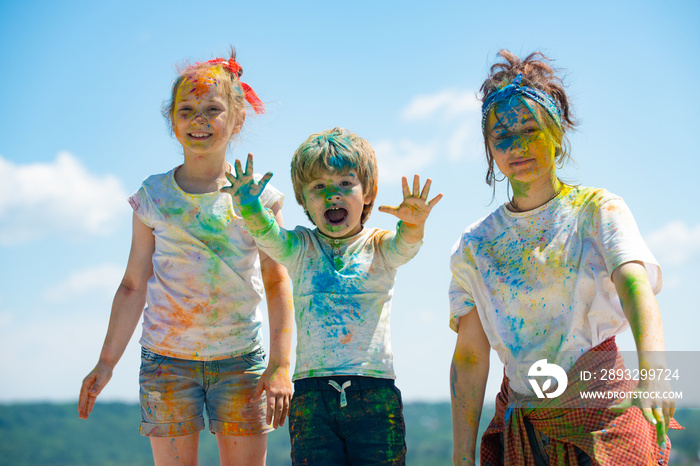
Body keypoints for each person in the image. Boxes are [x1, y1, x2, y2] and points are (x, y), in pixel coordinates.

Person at [448, 50, 681, 465]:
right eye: (502, 134)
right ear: (489, 148)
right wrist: (462, 453)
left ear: (556, 132)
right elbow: (469, 354)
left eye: (529, 128)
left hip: (602, 413)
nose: (516, 145)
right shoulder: (475, 245)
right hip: (525, 424)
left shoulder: (597, 210)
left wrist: (656, 373)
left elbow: (635, 287)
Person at [77, 51, 294, 466]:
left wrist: (281, 365)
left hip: (240, 361)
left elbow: (277, 280)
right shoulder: (154, 196)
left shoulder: (258, 199)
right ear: (172, 122)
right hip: (166, 362)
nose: (199, 119)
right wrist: (106, 363)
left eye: (212, 110)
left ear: (237, 119)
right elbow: (133, 285)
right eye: (187, 110)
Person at [221, 127, 442, 465]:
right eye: (319, 186)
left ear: (367, 193)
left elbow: (405, 248)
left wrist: (413, 225)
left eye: (345, 183)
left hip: (374, 390)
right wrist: (251, 206)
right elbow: (268, 236)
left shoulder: (379, 246)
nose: (332, 195)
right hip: (312, 394)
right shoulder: (300, 247)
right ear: (303, 200)